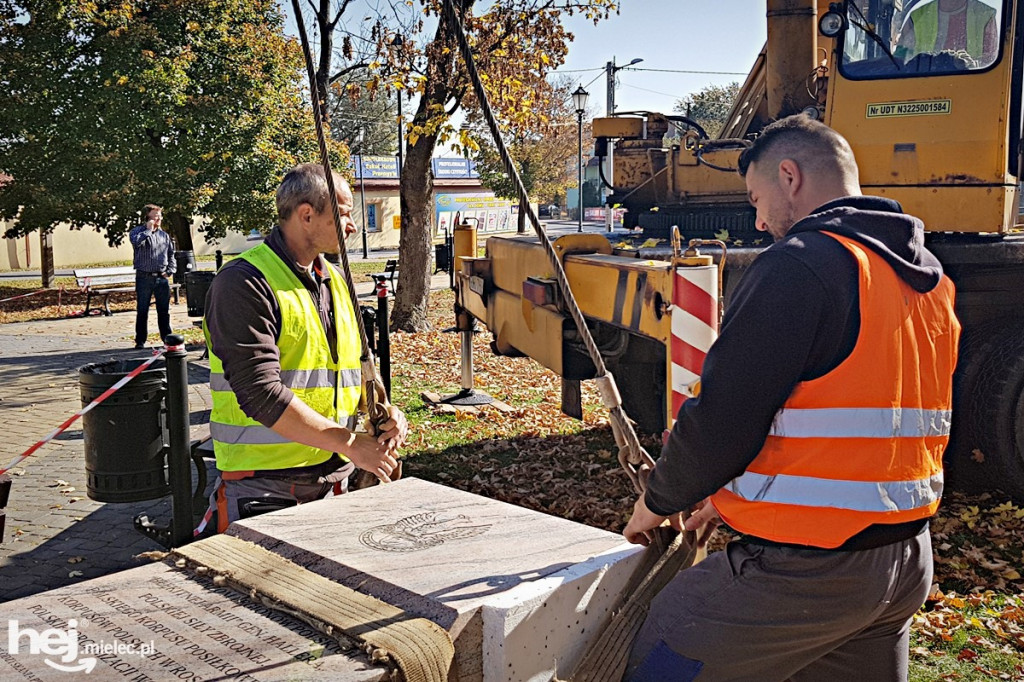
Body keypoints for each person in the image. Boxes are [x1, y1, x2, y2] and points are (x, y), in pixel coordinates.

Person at [623, 115, 960, 681]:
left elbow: (724, 419)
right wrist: (729, 499)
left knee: (661, 648)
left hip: (811, 571)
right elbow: (852, 426)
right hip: (904, 563)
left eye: (756, 198)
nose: (757, 219)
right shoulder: (928, 281)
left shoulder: (801, 265)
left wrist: (656, 502)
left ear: (790, 176)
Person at [203, 163, 406, 532]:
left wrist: (388, 415)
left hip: (335, 479)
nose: (353, 226)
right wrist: (350, 443)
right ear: (307, 215)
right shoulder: (243, 283)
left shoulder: (336, 280)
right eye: (344, 214)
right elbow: (259, 392)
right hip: (265, 488)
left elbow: (358, 371)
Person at [896, 0, 998, 67]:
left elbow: (991, 61)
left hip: (970, 86)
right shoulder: (917, 16)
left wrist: (971, 66)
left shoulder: (985, 15)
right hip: (924, 87)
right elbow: (898, 59)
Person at [129, 204, 176, 349]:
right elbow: (137, 243)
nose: (159, 218)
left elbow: (171, 254)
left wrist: (170, 270)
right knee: (142, 310)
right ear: (147, 216)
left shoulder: (164, 235)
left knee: (164, 311)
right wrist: (148, 230)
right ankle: (140, 340)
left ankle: (167, 339)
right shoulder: (137, 232)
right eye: (156, 215)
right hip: (144, 277)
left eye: (160, 215)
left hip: (161, 278)